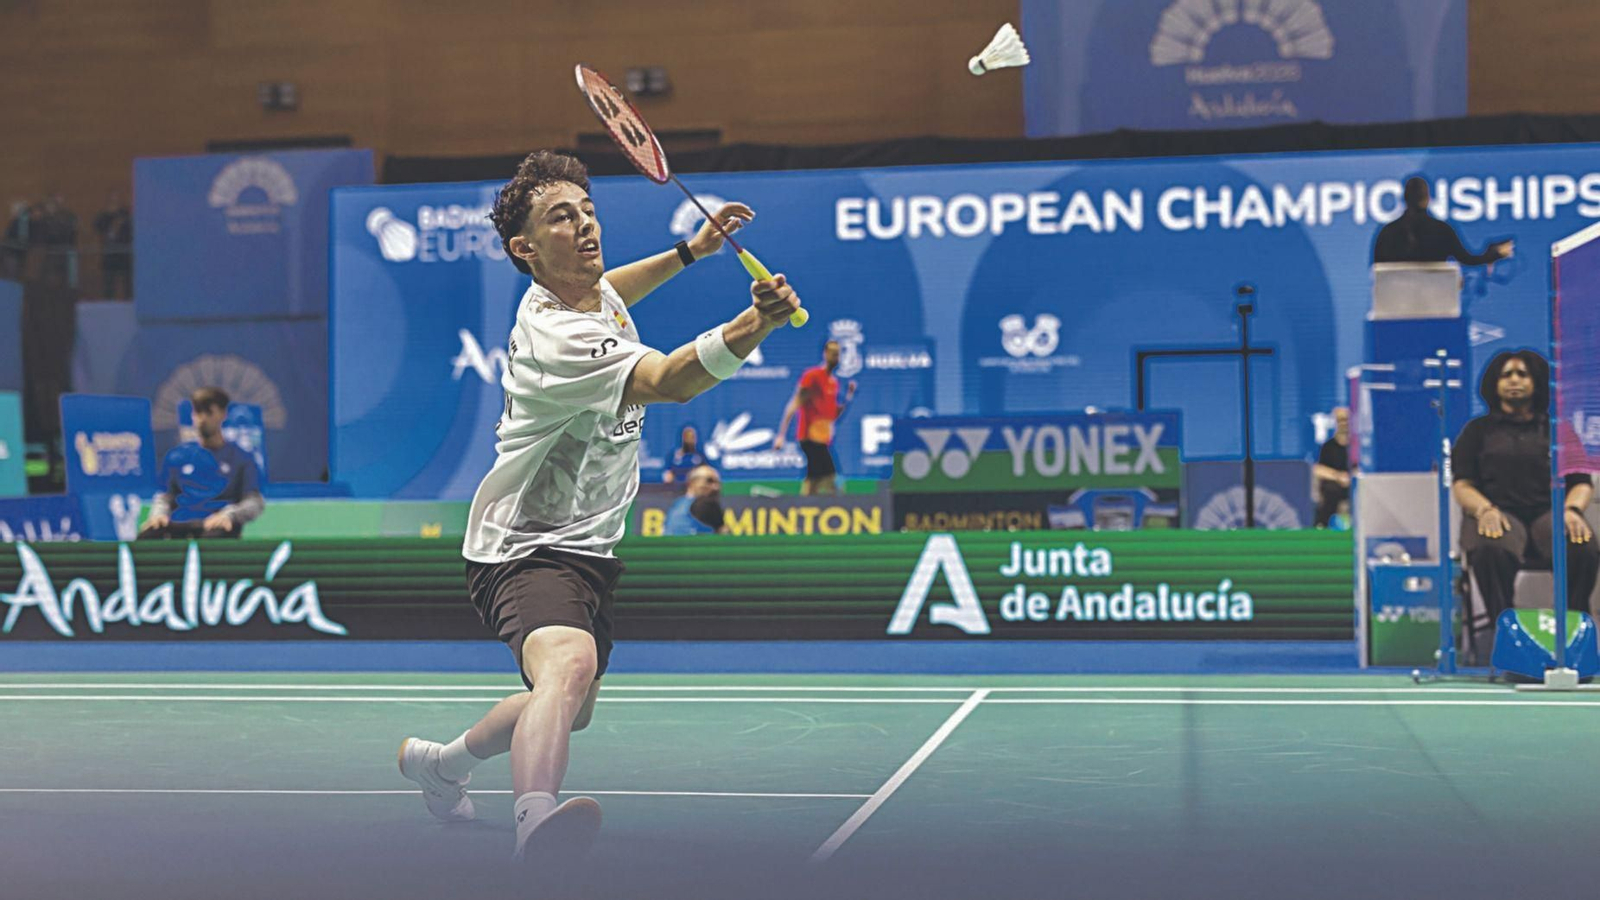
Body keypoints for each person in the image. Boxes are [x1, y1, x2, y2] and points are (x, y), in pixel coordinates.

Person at [394, 150, 797, 870]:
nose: (584, 228)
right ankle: (535, 827)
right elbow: (671, 381)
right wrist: (753, 326)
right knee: (569, 663)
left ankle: (442, 765)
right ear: (524, 249)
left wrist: (689, 251)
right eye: (560, 218)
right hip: (524, 541)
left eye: (587, 212)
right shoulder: (560, 335)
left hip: (588, 543)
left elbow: (614, 286)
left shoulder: (587, 295)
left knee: (569, 704)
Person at [1452, 350, 1598, 632]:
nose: (1514, 381)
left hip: (1549, 514)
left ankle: (1573, 630)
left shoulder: (1559, 430)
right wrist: (1484, 510)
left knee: (1581, 546)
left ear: (1536, 381)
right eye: (1506, 375)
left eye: (1523, 374)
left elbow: (1580, 481)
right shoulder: (1476, 431)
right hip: (1498, 512)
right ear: (1494, 383)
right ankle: (1506, 630)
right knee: (1489, 547)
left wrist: (1572, 510)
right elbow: (1463, 483)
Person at [138, 388, 264, 539]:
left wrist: (229, 515)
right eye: (198, 412)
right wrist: (158, 515)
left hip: (217, 524)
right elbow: (165, 496)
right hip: (180, 524)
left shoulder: (242, 458)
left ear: (223, 414)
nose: (202, 419)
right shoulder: (177, 456)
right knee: (147, 536)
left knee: (213, 539)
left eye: (209, 412)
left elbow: (254, 502)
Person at [773, 339, 856, 495]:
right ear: (825, 354)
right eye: (832, 354)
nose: (835, 357)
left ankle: (804, 506)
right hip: (809, 437)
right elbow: (794, 403)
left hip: (823, 438)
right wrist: (781, 435)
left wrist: (848, 397)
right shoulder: (812, 377)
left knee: (814, 478)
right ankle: (841, 505)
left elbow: (833, 416)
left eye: (837, 354)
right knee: (832, 477)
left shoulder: (833, 382)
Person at [1373, 177, 1513, 267]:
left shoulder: (1387, 233)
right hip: (1435, 304)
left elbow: (1376, 271)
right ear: (1427, 199)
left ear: (1404, 198)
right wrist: (1494, 254)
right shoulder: (1442, 230)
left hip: (1395, 305)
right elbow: (1468, 259)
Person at [1312, 407, 1351, 528]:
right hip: (1335, 484)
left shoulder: (1356, 446)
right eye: (1340, 420)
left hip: (1354, 484)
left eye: (1345, 420)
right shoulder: (1328, 447)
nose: (1343, 423)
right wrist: (1338, 476)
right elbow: (1318, 469)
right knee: (1330, 490)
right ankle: (1321, 526)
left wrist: (1350, 478)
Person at [662, 464, 726, 535]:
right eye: (709, 481)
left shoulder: (677, 504)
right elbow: (724, 537)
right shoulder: (706, 505)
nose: (716, 487)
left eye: (717, 483)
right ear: (693, 482)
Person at [94, 192, 132, 300]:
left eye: (116, 200)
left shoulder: (125, 215)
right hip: (109, 256)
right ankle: (108, 304)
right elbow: (97, 227)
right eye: (111, 200)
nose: (114, 203)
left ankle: (129, 303)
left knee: (128, 285)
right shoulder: (103, 216)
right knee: (109, 285)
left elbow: (130, 231)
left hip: (124, 255)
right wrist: (107, 215)